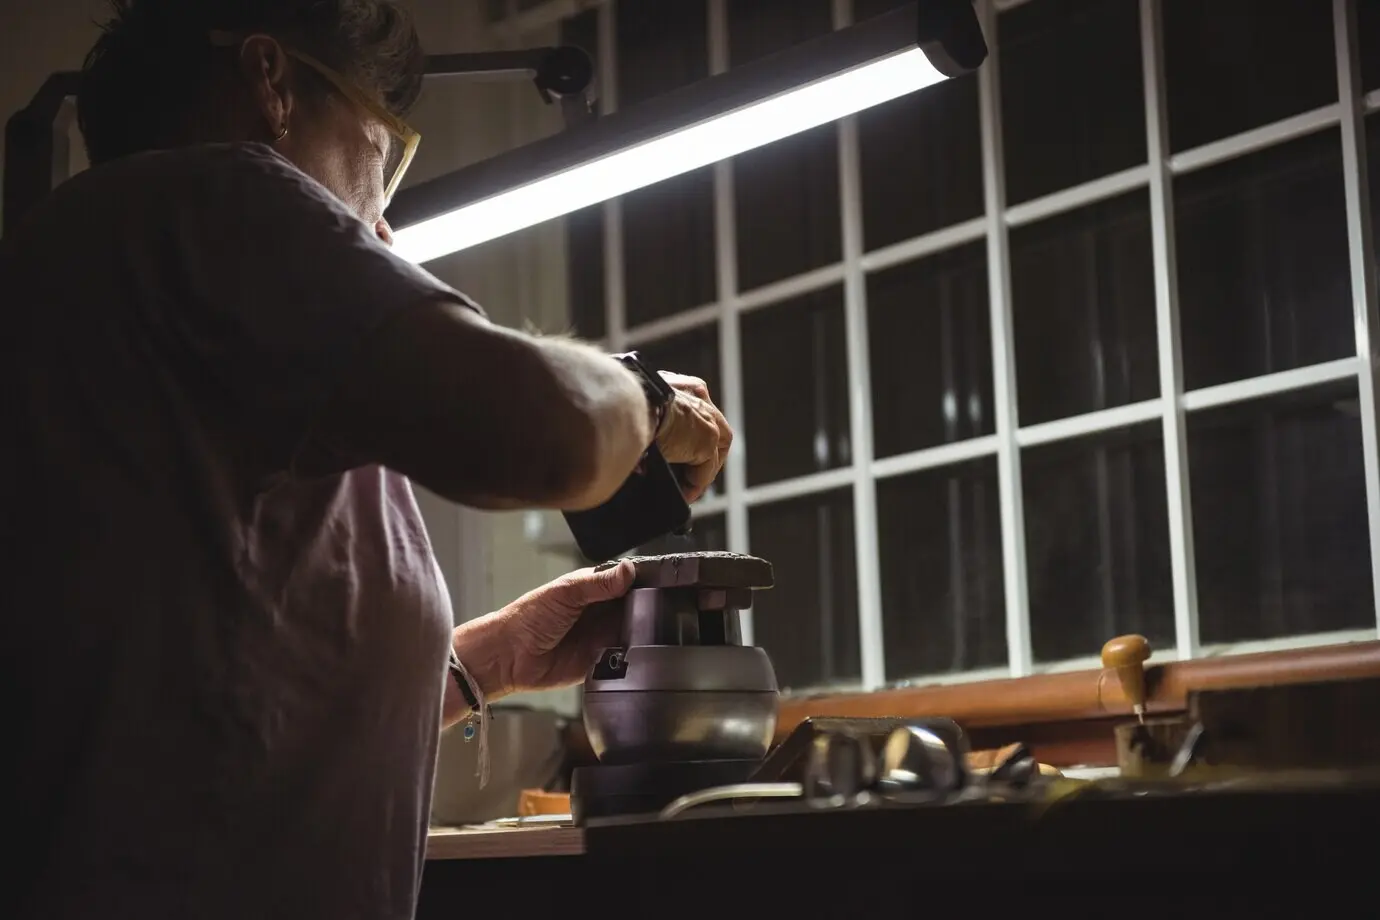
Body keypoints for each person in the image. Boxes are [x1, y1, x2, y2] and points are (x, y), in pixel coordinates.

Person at [0, 1, 734, 918]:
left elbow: (217, 694)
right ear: (271, 83)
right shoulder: (219, 198)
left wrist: (490, 659)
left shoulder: (145, 269)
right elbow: (549, 434)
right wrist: (651, 401)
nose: (382, 219)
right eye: (382, 154)